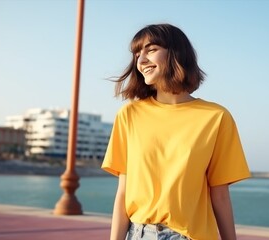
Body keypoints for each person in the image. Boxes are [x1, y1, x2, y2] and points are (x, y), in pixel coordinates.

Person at [102, 23, 251, 240]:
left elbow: (220, 196)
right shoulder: (129, 115)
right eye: (137, 54)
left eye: (151, 50)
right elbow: (123, 192)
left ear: (176, 54)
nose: (141, 60)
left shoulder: (216, 117)